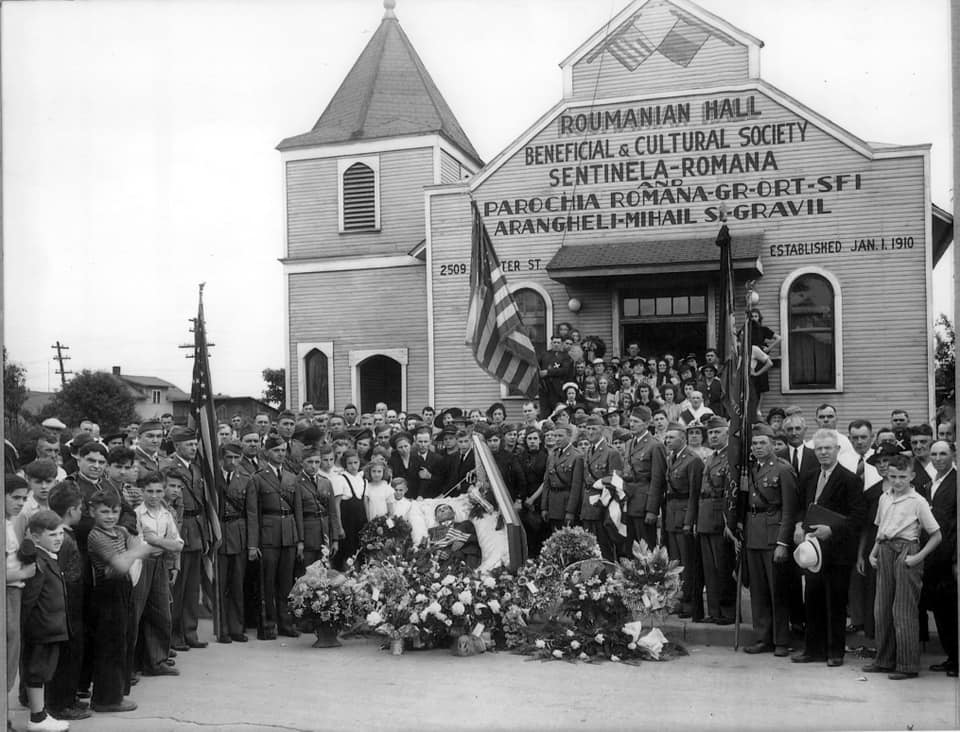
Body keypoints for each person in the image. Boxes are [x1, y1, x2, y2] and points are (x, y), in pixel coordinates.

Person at [862, 455, 941, 680]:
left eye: (902, 477)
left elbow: (936, 535)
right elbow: (881, 528)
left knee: (903, 610)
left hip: (908, 550)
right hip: (885, 548)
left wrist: (917, 558)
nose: (897, 482)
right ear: (887, 475)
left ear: (912, 476)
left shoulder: (918, 501)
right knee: (882, 608)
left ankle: (907, 665)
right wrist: (873, 552)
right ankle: (884, 659)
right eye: (893, 476)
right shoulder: (884, 498)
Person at [792, 429, 865, 667]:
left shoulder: (850, 479)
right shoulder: (810, 477)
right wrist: (799, 526)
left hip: (838, 552)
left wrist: (832, 530)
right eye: (819, 449)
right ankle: (813, 650)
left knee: (835, 602)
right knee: (812, 599)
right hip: (812, 550)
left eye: (828, 448)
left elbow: (857, 516)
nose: (823, 452)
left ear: (837, 450)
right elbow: (802, 506)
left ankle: (835, 653)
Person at [86, 490, 152, 713]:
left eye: (114, 511)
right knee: (110, 645)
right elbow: (124, 564)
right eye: (104, 512)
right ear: (92, 512)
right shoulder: (96, 536)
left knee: (123, 641)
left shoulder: (120, 530)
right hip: (107, 591)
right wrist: (131, 554)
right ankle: (105, 699)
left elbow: (144, 549)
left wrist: (128, 555)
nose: (110, 516)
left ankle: (116, 694)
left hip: (123, 588)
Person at [741, 424, 799, 656]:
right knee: (759, 591)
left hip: (773, 535)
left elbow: (790, 510)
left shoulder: (783, 469)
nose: (757, 447)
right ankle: (763, 637)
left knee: (778, 591)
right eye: (754, 444)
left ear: (773, 444)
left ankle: (782, 640)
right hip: (754, 534)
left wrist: (783, 543)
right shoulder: (751, 469)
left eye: (762, 443)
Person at [247, 435, 303, 639]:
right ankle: (268, 625)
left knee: (286, 583)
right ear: (267, 452)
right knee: (267, 583)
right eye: (276, 450)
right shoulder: (258, 477)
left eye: (283, 450)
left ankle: (286, 624)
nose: (280, 454)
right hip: (268, 534)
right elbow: (253, 513)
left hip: (288, 533)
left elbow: (297, 511)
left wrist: (300, 540)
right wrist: (253, 544)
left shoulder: (291, 477)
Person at [20, 510, 70, 732]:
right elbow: (29, 600)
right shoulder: (38, 562)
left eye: (60, 533)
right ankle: (37, 718)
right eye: (52, 534)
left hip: (51, 626)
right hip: (42, 627)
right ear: (35, 536)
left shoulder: (48, 557)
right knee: (37, 672)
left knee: (42, 671)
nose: (59, 538)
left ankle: (41, 713)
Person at [161, 427, 209, 652]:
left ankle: (190, 631)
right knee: (177, 587)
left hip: (196, 528)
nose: (193, 448)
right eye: (189, 444)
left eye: (195, 444)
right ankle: (174, 634)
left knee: (192, 587)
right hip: (178, 526)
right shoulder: (168, 467)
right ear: (177, 445)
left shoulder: (197, 468)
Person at [44, 484, 89, 722]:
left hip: (70, 601)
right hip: (66, 603)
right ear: (71, 510)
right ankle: (61, 703)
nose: (82, 512)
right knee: (68, 654)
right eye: (80, 508)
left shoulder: (64, 534)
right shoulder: (63, 538)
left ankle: (68, 697)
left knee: (73, 651)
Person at [922, 441, 958, 677]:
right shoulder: (932, 483)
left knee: (953, 611)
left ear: (953, 454)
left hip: (950, 557)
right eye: (934, 454)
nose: (938, 458)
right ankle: (952, 657)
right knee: (941, 610)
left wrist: (956, 559)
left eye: (943, 453)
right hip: (933, 557)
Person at [696, 417, 736, 625]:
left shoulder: (731, 457)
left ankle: (727, 611)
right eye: (710, 433)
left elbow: (731, 492)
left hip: (721, 520)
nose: (712, 436)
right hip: (705, 518)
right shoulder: (710, 458)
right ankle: (714, 611)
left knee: (723, 567)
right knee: (709, 569)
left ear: (727, 433)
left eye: (717, 432)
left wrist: (730, 522)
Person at [662, 423, 704, 620]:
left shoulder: (693, 460)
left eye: (671, 438)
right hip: (672, 515)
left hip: (685, 514)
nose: (667, 440)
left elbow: (695, 494)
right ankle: (678, 599)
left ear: (683, 440)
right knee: (675, 562)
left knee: (687, 562)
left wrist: (689, 521)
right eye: (667, 437)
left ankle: (689, 603)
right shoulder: (671, 458)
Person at [7, 475, 35, 728]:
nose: (19, 503)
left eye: (23, 498)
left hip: (14, 592)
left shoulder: (9, 523)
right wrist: (24, 573)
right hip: (8, 591)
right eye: (14, 497)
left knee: (11, 657)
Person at [216, 444, 250, 644]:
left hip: (238, 535)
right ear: (221, 458)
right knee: (221, 586)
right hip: (220, 534)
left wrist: (252, 543)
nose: (232, 462)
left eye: (237, 457)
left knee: (237, 584)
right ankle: (222, 629)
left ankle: (237, 627)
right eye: (228, 457)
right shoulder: (213, 479)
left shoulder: (246, 480)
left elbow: (251, 513)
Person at [577, 415, 624, 561]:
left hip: (602, 508)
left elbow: (615, 481)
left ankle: (609, 580)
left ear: (602, 430)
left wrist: (602, 502)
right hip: (587, 507)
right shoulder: (587, 452)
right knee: (589, 548)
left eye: (594, 429)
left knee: (605, 549)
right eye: (588, 429)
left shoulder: (611, 453)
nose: (590, 432)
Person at [622, 406, 667, 549]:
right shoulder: (630, 443)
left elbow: (657, 480)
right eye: (630, 421)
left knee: (646, 548)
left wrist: (652, 509)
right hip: (629, 500)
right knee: (631, 547)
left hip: (644, 503)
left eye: (636, 421)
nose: (632, 424)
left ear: (647, 424)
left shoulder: (655, 445)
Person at [296, 448, 342, 569]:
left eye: (317, 462)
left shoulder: (326, 482)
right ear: (302, 463)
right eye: (310, 462)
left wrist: (335, 539)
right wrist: (300, 541)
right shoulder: (296, 483)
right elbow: (298, 515)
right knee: (308, 575)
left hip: (325, 534)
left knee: (324, 573)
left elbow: (332, 512)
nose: (314, 466)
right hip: (308, 537)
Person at [539, 425, 583, 531]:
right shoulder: (552, 455)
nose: (557, 439)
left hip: (566, 503)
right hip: (553, 503)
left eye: (560, 436)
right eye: (555, 436)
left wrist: (570, 511)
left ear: (569, 437)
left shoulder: (576, 456)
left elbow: (576, 487)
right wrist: (544, 507)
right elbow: (547, 483)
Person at [335, 450, 367, 568]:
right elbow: (336, 504)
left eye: (356, 462)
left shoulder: (363, 480)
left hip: (360, 523)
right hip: (347, 523)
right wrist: (339, 527)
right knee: (348, 554)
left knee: (361, 554)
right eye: (350, 463)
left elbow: (365, 503)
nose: (353, 466)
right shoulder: (340, 479)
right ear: (345, 464)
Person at [429, 504, 480, 570]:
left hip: (468, 560)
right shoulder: (431, 531)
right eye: (439, 510)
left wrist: (462, 539)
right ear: (436, 518)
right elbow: (426, 548)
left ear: (453, 513)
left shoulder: (466, 524)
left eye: (445, 508)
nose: (442, 510)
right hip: (446, 565)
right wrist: (436, 552)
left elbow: (478, 539)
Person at [538, 334, 574, 419]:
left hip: (558, 390)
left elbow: (564, 370)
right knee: (545, 413)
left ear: (561, 344)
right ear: (551, 343)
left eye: (558, 342)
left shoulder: (566, 356)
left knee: (558, 413)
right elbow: (537, 368)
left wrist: (548, 372)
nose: (556, 344)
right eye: (554, 342)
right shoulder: (544, 355)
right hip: (545, 389)